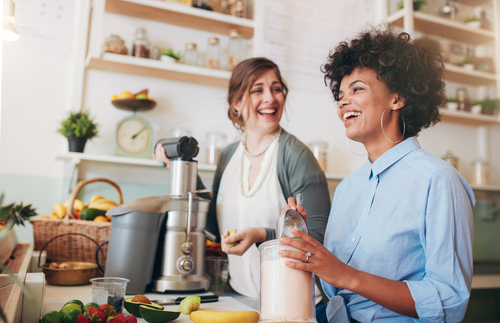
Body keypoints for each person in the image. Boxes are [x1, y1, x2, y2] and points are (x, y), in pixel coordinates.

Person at [278, 27, 475, 322]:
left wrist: (346, 275)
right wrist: (306, 241)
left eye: (357, 89)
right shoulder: (347, 188)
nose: (343, 102)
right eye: (340, 96)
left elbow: (448, 300)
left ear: (398, 98)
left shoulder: (438, 180)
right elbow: (334, 286)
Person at [154, 57, 331, 320]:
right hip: (242, 300)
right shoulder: (228, 156)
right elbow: (214, 227)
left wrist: (262, 234)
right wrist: (179, 166)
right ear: (237, 103)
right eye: (257, 90)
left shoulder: (297, 157)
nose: (270, 98)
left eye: (276, 88)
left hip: (298, 306)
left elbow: (320, 238)